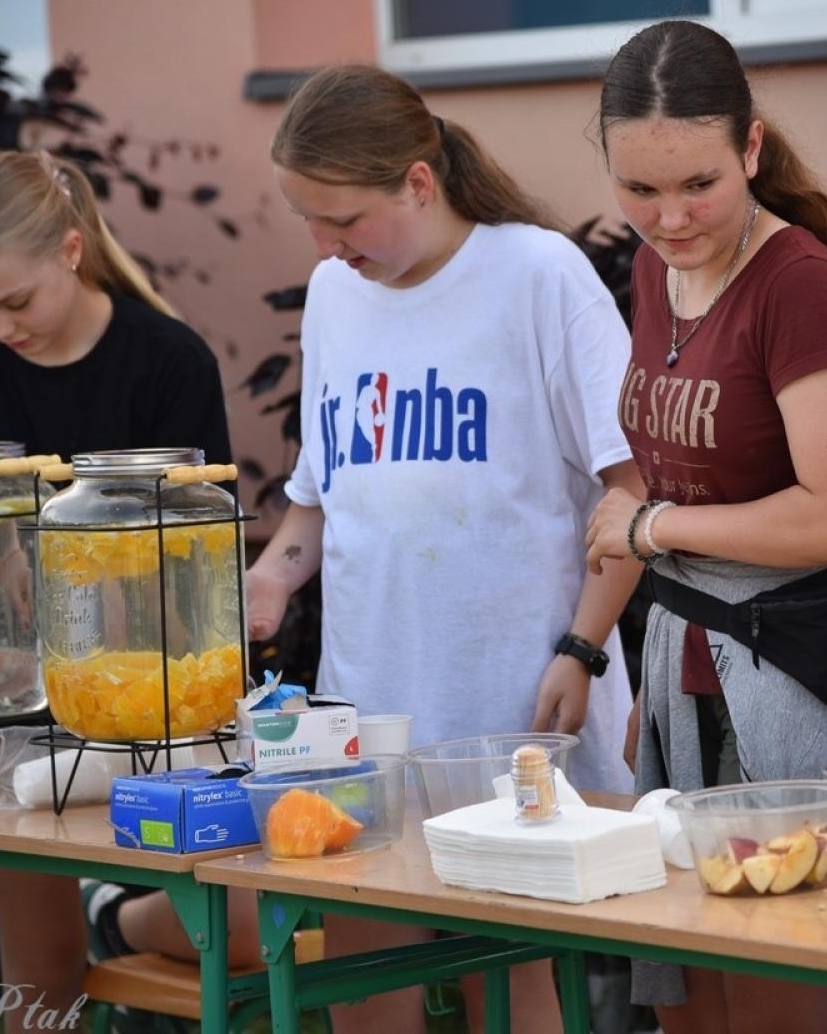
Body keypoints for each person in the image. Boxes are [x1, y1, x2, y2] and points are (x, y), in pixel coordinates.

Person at [244, 64, 642, 1034]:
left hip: (515, 717)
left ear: (418, 183)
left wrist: (582, 648)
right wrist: (267, 578)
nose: (325, 248)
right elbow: (319, 499)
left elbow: (632, 494)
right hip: (370, 721)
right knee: (361, 981)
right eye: (308, 221)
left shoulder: (540, 275)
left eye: (341, 220)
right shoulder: (341, 295)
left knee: (510, 983)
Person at [584, 20, 827, 1034]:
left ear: (751, 149)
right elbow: (672, 474)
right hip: (691, 669)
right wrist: (618, 651)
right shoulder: (658, 268)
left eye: (697, 183)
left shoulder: (801, 285)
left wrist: (652, 529)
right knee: (689, 998)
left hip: (790, 679)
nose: (668, 215)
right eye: (639, 189)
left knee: (780, 998)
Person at [0, 149, 239, 1030]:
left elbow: (194, 555)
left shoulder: (166, 359)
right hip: (6, 705)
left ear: (69, 249)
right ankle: (92, 929)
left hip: (152, 706)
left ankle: (117, 920)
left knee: (229, 925)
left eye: (13, 302)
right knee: (36, 965)